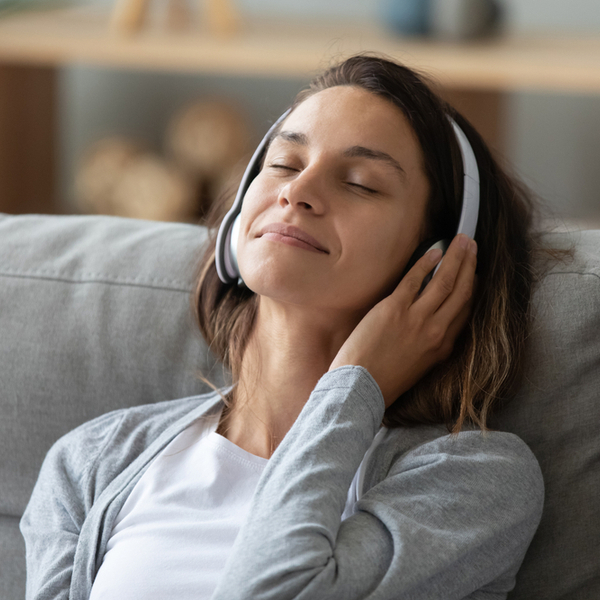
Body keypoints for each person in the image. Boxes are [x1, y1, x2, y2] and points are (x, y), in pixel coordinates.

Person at [21, 54, 544, 600]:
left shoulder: (476, 478)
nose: (297, 192)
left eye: (361, 182)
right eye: (285, 164)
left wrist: (356, 382)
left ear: (438, 267)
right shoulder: (94, 460)